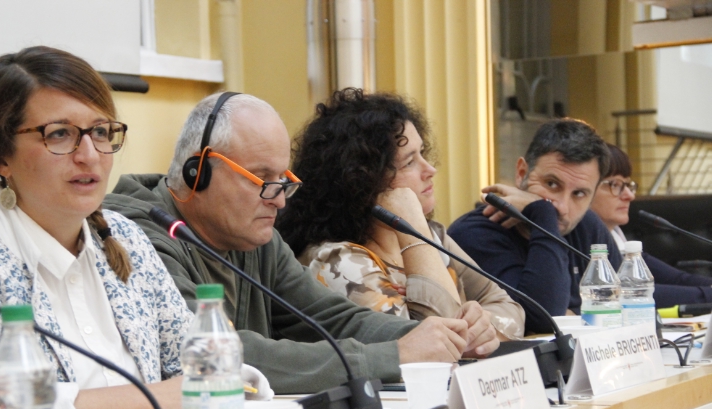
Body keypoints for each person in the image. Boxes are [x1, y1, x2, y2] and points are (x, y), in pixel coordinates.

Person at [0, 48, 270, 409]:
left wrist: (227, 383)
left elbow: (198, 367)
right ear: (1, 156)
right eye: (59, 134)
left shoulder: (126, 239)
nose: (89, 154)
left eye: (100, 132)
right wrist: (149, 400)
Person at [103, 92, 471, 394]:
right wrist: (394, 356)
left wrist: (437, 339)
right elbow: (215, 352)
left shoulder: (255, 239)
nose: (279, 200)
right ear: (198, 172)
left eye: (283, 180)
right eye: (262, 179)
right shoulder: (138, 236)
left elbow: (333, 318)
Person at [276, 89, 523, 357]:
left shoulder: (434, 236)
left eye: (422, 153)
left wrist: (483, 329)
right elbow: (431, 351)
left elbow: (510, 307)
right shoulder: (337, 262)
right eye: (409, 163)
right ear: (361, 180)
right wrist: (413, 227)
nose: (430, 170)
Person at [448, 119, 619, 334]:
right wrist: (542, 213)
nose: (562, 207)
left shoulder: (586, 226)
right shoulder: (475, 233)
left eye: (579, 194)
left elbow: (623, 307)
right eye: (551, 184)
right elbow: (544, 319)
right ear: (521, 173)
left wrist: (574, 316)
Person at [590, 143, 712, 306]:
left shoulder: (616, 236)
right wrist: (706, 295)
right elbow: (629, 292)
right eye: (615, 185)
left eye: (628, 185)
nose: (629, 196)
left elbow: (678, 279)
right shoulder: (582, 242)